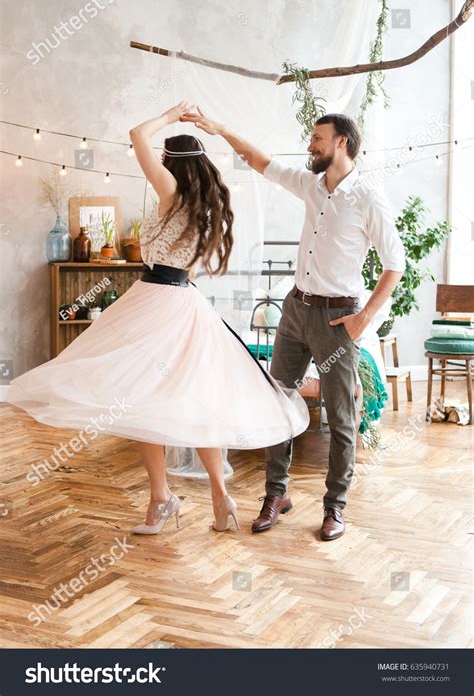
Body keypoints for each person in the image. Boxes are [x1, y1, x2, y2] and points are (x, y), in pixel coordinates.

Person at [7, 102, 309, 536]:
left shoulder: (171, 192)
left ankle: (161, 499)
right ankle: (220, 496)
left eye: (164, 160)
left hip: (154, 302)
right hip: (186, 303)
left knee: (141, 401)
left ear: (173, 164)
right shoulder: (208, 208)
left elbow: (136, 133)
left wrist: (169, 115)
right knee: (194, 403)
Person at [181, 107, 405, 541]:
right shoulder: (310, 185)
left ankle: (334, 507)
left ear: (342, 142)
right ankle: (275, 495)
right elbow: (259, 161)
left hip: (338, 318)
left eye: (317, 138)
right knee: (277, 404)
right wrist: (220, 126)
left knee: (341, 417)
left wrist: (364, 318)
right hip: (295, 310)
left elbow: (395, 264)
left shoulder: (368, 198)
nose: (309, 146)